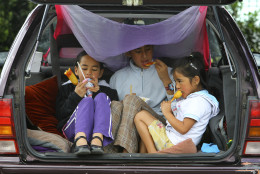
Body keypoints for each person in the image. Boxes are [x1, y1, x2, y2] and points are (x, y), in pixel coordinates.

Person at [134, 53, 220, 153]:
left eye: (180, 81)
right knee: (147, 129)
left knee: (140, 116)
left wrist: (167, 113)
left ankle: (153, 154)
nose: (177, 86)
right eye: (176, 82)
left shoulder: (198, 102)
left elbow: (183, 128)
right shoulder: (191, 97)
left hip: (173, 143)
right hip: (172, 138)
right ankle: (143, 155)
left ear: (196, 80)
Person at [109, 45, 175, 153]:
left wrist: (166, 79)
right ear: (129, 53)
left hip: (157, 122)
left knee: (131, 100)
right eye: (138, 51)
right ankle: (108, 153)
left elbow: (178, 104)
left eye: (148, 50)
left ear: (153, 49)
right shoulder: (117, 77)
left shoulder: (167, 71)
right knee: (116, 105)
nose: (144, 56)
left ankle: (127, 154)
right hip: (125, 127)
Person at [55, 51, 118, 155]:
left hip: (100, 131)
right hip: (73, 129)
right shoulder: (66, 88)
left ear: (101, 73)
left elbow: (113, 114)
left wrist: (97, 93)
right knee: (87, 101)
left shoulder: (109, 91)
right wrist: (75, 96)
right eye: (84, 68)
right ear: (76, 70)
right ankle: (80, 140)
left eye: (94, 69)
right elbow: (60, 115)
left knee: (102, 97)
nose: (89, 72)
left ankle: (97, 139)